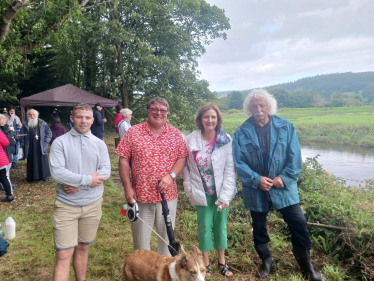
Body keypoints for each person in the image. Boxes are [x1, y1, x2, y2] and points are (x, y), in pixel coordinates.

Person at [232, 89, 324, 281]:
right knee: (258, 227)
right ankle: (267, 260)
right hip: (256, 188)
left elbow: (295, 158)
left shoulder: (285, 126)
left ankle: (307, 267)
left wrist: (285, 177)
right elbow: (238, 162)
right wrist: (256, 179)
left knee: (299, 224)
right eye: (254, 106)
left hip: (283, 188)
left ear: (269, 107)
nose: (258, 109)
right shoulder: (241, 132)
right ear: (249, 108)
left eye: (262, 105)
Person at [116, 97, 188, 256]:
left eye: (163, 110)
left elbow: (182, 157)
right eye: (155, 109)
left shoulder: (175, 134)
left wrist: (171, 176)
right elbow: (123, 160)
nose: (158, 113)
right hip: (140, 196)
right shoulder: (133, 132)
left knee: (167, 243)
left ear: (167, 113)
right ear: (148, 111)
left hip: (167, 196)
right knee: (141, 246)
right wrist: (127, 188)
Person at [49, 103, 111, 281]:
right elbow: (57, 172)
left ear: (93, 120)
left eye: (87, 117)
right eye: (79, 117)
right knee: (63, 253)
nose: (83, 121)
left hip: (92, 204)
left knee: (83, 247)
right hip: (67, 205)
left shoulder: (99, 144)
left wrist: (80, 185)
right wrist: (87, 180)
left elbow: (105, 171)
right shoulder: (60, 142)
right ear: (71, 118)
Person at [183, 104, 237, 277]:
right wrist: (189, 187)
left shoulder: (225, 139)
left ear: (218, 120)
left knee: (220, 226)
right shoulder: (191, 139)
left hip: (221, 192)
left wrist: (225, 196)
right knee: (205, 227)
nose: (210, 120)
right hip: (201, 191)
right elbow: (185, 165)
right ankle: (205, 263)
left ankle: (222, 262)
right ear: (200, 119)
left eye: (213, 117)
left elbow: (230, 168)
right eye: (206, 117)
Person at [20, 109, 52, 183]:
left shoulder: (42, 122)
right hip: (30, 147)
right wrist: (22, 144)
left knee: (42, 161)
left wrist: (47, 141)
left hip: (41, 145)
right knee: (32, 162)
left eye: (33, 114)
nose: (32, 116)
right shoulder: (25, 124)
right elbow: (21, 135)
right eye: (30, 115)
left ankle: (43, 176)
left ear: (36, 115)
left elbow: (49, 132)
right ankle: (33, 177)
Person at [0, 114, 14, 202]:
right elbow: (6, 143)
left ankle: (9, 196)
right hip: (1, 159)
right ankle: (9, 195)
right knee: (4, 177)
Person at [4, 105, 22, 169]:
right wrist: (12, 117)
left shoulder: (16, 117)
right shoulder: (5, 117)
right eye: (11, 111)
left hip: (17, 134)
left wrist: (20, 125)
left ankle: (14, 163)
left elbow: (20, 123)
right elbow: (8, 123)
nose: (12, 112)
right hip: (10, 136)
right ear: (8, 111)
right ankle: (9, 163)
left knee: (16, 149)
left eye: (13, 111)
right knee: (10, 150)